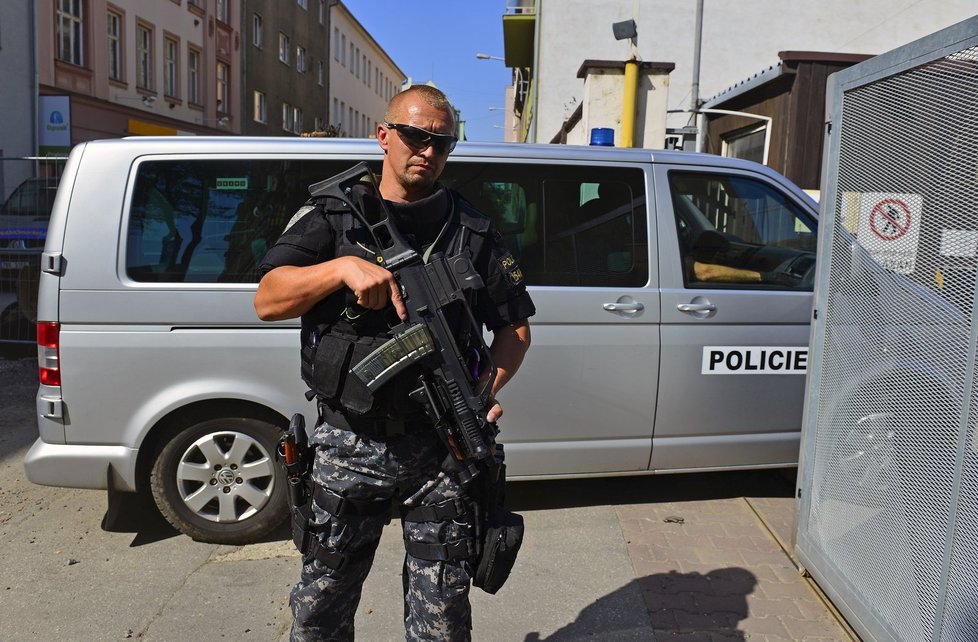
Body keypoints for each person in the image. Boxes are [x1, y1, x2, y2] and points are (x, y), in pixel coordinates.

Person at [254, 85, 534, 641]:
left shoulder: (471, 230)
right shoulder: (335, 214)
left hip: (441, 452)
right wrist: (340, 271)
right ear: (384, 135)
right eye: (414, 135)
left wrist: (480, 394)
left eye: (441, 142)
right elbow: (268, 299)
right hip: (348, 445)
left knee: (443, 616)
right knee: (321, 605)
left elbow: (515, 330)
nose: (426, 150)